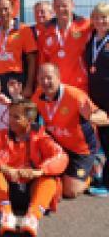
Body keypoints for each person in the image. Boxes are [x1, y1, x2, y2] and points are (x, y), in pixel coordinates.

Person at [0, 99, 69, 236]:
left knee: (50, 180)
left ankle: (32, 218)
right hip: (5, 190)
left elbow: (61, 156)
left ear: (30, 120)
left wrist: (39, 172)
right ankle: (6, 215)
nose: (11, 120)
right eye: (10, 115)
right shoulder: (1, 135)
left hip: (31, 191)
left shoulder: (41, 137)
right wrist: (4, 168)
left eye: (16, 117)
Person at [31, 63, 109, 198]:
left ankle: (93, 167)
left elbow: (105, 118)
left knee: (70, 192)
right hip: (59, 146)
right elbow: (26, 116)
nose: (45, 82)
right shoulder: (38, 95)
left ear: (58, 77)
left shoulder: (75, 95)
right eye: (42, 78)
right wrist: (14, 99)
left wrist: (92, 117)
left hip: (81, 150)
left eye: (49, 78)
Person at [38, 0, 91, 92]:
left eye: (64, 6)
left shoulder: (85, 25)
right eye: (57, 6)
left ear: (72, 6)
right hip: (54, 85)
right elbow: (42, 60)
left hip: (79, 84)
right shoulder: (45, 31)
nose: (61, 9)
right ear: (53, 8)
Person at [0, 0, 37, 97]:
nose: (3, 13)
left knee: (16, 111)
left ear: (12, 9)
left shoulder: (23, 30)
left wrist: (29, 86)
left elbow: (31, 59)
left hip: (16, 77)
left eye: (6, 9)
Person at [84, 2, 109, 196]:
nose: (100, 21)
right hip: (95, 97)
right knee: (100, 138)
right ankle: (102, 176)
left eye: (105, 17)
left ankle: (107, 184)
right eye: (97, 17)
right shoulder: (91, 37)